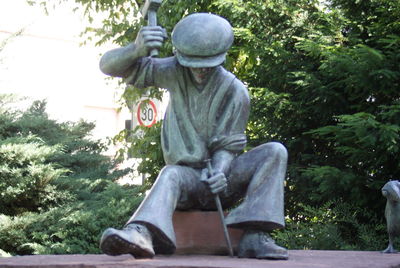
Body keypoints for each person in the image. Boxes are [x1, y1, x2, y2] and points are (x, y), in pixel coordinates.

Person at [99, 13, 289, 260]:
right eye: (193, 63)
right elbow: (108, 66)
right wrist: (135, 50)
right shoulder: (173, 71)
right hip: (187, 182)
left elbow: (228, 144)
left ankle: (254, 236)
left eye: (206, 64)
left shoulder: (235, 91)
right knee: (171, 174)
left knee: (275, 151)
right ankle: (141, 232)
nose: (199, 70)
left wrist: (220, 171)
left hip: (223, 180)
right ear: (181, 57)